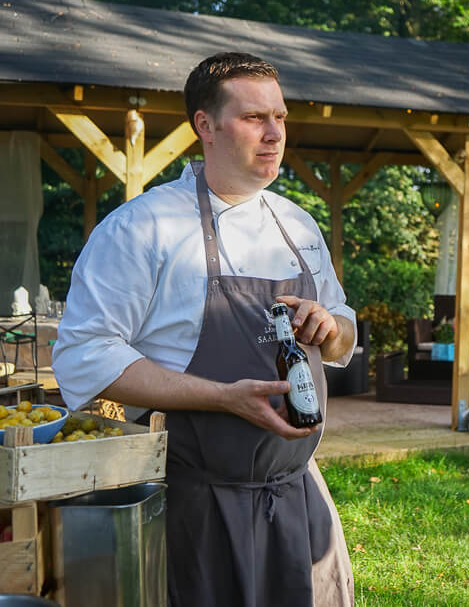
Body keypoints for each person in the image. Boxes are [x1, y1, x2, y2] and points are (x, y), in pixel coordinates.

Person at [53, 52, 356, 606]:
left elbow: (345, 332)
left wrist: (330, 327)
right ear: (205, 126)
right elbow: (83, 354)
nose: (274, 134)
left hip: (299, 493)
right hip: (195, 502)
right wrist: (222, 399)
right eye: (253, 118)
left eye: (281, 118)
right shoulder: (143, 228)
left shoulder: (298, 224)